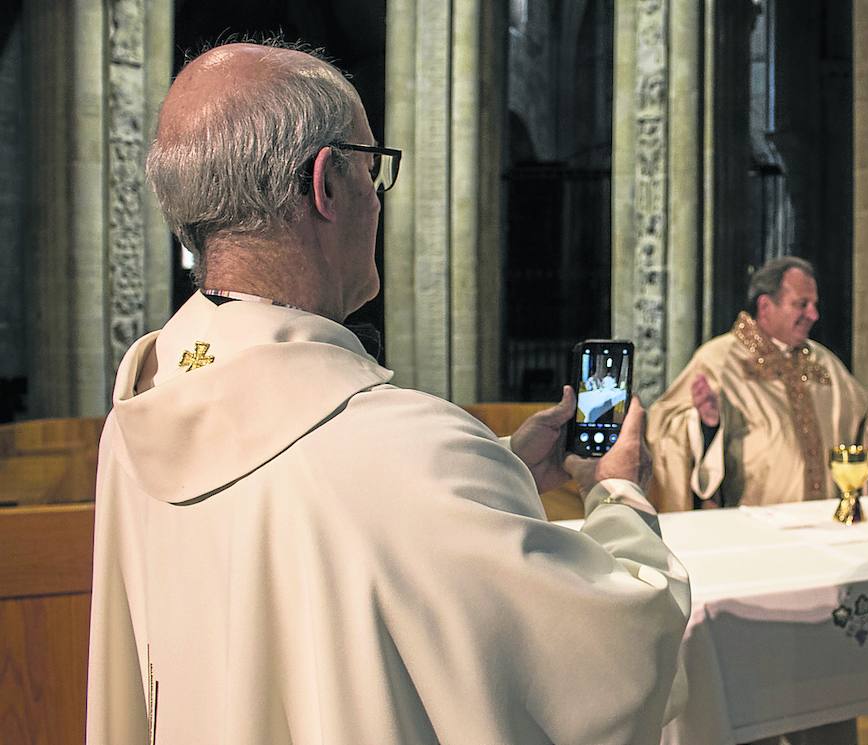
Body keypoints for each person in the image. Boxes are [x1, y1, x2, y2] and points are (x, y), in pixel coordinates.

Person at [86, 41, 688, 745]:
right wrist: (618, 493)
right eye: (374, 170)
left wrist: (501, 471)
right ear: (327, 186)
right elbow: (619, 659)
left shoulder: (145, 399)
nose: (377, 199)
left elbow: (304, 520)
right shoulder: (411, 455)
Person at [647, 257, 868, 512]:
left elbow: (862, 425)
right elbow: (666, 432)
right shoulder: (719, 360)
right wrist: (705, 425)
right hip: (752, 527)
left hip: (823, 521)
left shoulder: (822, 361)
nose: (813, 315)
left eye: (814, 304)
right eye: (801, 304)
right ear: (765, 307)